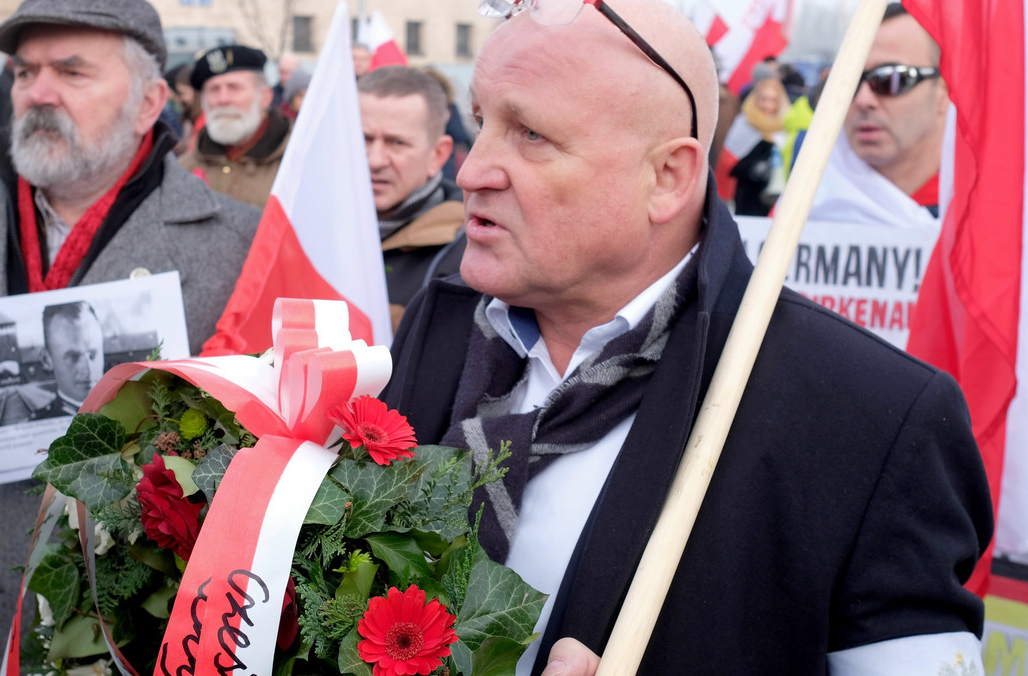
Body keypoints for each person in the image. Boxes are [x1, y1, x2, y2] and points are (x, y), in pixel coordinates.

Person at [382, 0, 991, 674]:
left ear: (667, 176)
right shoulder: (440, 322)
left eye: (530, 134)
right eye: (480, 122)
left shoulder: (872, 414)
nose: (472, 170)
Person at [0, 1, 259, 673]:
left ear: (150, 101)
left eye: (71, 70)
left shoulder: (239, 242)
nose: (39, 92)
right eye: (24, 70)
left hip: (125, 634)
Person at [806, 3, 948, 228]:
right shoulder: (802, 211)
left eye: (890, 79)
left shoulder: (991, 209)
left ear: (944, 92)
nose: (863, 100)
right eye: (848, 81)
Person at [357, 65, 466, 330]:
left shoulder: (466, 258)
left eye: (397, 143)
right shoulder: (308, 233)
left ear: (438, 155)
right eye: (364, 139)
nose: (375, 160)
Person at [179, 44, 291, 207]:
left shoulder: (295, 165)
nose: (223, 99)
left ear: (265, 97)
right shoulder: (183, 169)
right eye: (214, 89)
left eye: (234, 88)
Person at [725, 76, 789, 215]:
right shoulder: (744, 122)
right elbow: (729, 158)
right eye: (764, 98)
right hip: (746, 192)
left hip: (777, 196)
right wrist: (752, 168)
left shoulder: (786, 127)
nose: (767, 105)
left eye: (773, 100)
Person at [33, 301, 105, 419]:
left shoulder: (130, 411)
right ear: (47, 360)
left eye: (92, 355)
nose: (88, 370)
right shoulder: (38, 423)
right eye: (73, 357)